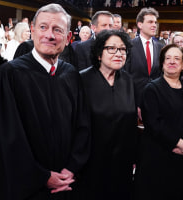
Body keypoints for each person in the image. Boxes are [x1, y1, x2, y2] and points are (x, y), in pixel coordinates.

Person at [0, 3, 90, 200]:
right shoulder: (9, 75)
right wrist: (41, 176)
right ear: (32, 31)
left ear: (68, 38)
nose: (49, 35)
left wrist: (72, 168)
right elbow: (4, 136)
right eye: (43, 27)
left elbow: (82, 126)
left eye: (57, 30)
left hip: (67, 184)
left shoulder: (71, 75)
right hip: (25, 188)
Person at [75, 29, 137, 200]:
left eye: (123, 49)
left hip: (122, 164)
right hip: (90, 165)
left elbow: (131, 123)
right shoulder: (81, 80)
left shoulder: (128, 81)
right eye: (111, 48)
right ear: (99, 54)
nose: (118, 53)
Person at [134, 44, 183, 200]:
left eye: (177, 58)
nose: (172, 61)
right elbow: (155, 125)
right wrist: (179, 143)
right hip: (158, 155)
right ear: (162, 63)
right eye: (167, 58)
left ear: (182, 65)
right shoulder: (152, 89)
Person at [124, 7, 164, 121]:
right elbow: (125, 77)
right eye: (150, 22)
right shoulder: (129, 46)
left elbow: (160, 76)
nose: (154, 25)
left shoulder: (160, 47)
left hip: (155, 102)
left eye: (155, 22)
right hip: (133, 104)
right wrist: (133, 104)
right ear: (140, 25)